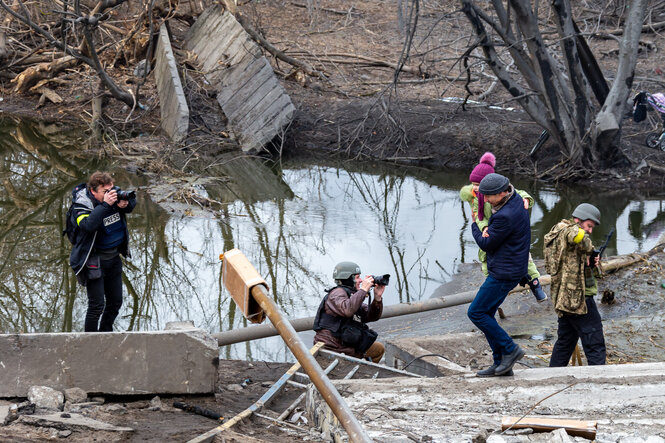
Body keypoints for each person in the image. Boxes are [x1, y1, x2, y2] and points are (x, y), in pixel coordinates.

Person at [460, 152, 547, 302]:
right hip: (492, 230)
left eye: (478, 185)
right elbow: (477, 217)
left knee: (524, 258)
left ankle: (534, 283)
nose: (475, 188)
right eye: (473, 185)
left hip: (506, 228)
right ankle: (493, 284)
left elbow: (518, 193)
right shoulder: (476, 200)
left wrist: (527, 199)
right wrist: (484, 227)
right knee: (488, 259)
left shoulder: (501, 192)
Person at [467, 173, 530, 377]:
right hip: (510, 268)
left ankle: (510, 349)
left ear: (502, 192)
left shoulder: (505, 216)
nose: (485, 199)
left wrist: (475, 226)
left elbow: (486, 243)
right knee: (487, 314)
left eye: (489, 196)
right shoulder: (516, 199)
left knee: (476, 312)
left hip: (505, 272)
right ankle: (500, 363)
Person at [69, 171, 136, 332]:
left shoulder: (112, 194)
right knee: (97, 306)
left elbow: (131, 202)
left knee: (115, 303)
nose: (111, 194)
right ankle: (91, 343)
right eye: (105, 192)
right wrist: (106, 205)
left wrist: (126, 204)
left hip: (113, 258)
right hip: (93, 260)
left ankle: (105, 334)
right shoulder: (80, 206)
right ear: (93, 191)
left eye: (111, 189)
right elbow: (88, 225)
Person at [544, 203, 606, 366]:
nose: (590, 231)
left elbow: (573, 261)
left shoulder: (557, 231)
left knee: (565, 342)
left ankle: (552, 377)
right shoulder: (570, 230)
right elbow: (577, 236)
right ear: (578, 220)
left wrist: (592, 261)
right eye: (589, 226)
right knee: (595, 344)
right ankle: (600, 381)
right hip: (579, 300)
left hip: (564, 299)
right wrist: (590, 249)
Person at [313, 261, 385, 363]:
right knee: (372, 353)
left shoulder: (352, 295)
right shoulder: (336, 293)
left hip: (348, 345)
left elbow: (372, 316)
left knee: (378, 349)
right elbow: (347, 310)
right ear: (348, 279)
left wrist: (377, 298)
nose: (360, 280)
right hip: (333, 347)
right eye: (357, 277)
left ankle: (363, 370)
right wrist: (363, 290)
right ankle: (361, 370)